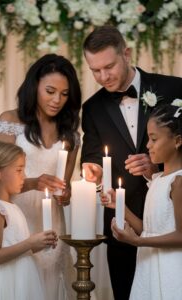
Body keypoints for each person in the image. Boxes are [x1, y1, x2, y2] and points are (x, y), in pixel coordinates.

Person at [81, 25, 182, 300]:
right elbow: (90, 154)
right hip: (124, 222)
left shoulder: (174, 88)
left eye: (109, 66)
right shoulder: (91, 108)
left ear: (126, 53)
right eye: (94, 70)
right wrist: (92, 169)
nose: (102, 76)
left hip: (174, 219)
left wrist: (159, 168)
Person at [0, 54, 82, 300]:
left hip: (51, 221)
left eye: (64, 94)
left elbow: (63, 186)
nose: (57, 100)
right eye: (50, 91)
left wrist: (66, 193)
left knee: (50, 287)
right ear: (34, 86)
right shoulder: (10, 121)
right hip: (16, 220)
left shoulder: (70, 133)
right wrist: (33, 182)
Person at [111, 103, 182, 300]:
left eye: (153, 139)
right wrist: (121, 207)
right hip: (149, 265)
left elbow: (181, 236)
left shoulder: (179, 182)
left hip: (172, 268)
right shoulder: (157, 179)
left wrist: (136, 241)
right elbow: (150, 229)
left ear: (177, 141)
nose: (148, 145)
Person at [0, 140, 58, 300]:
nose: (24, 176)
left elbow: (16, 246)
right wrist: (30, 243)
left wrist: (40, 243)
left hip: (21, 276)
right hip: (6, 280)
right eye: (19, 170)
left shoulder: (11, 206)